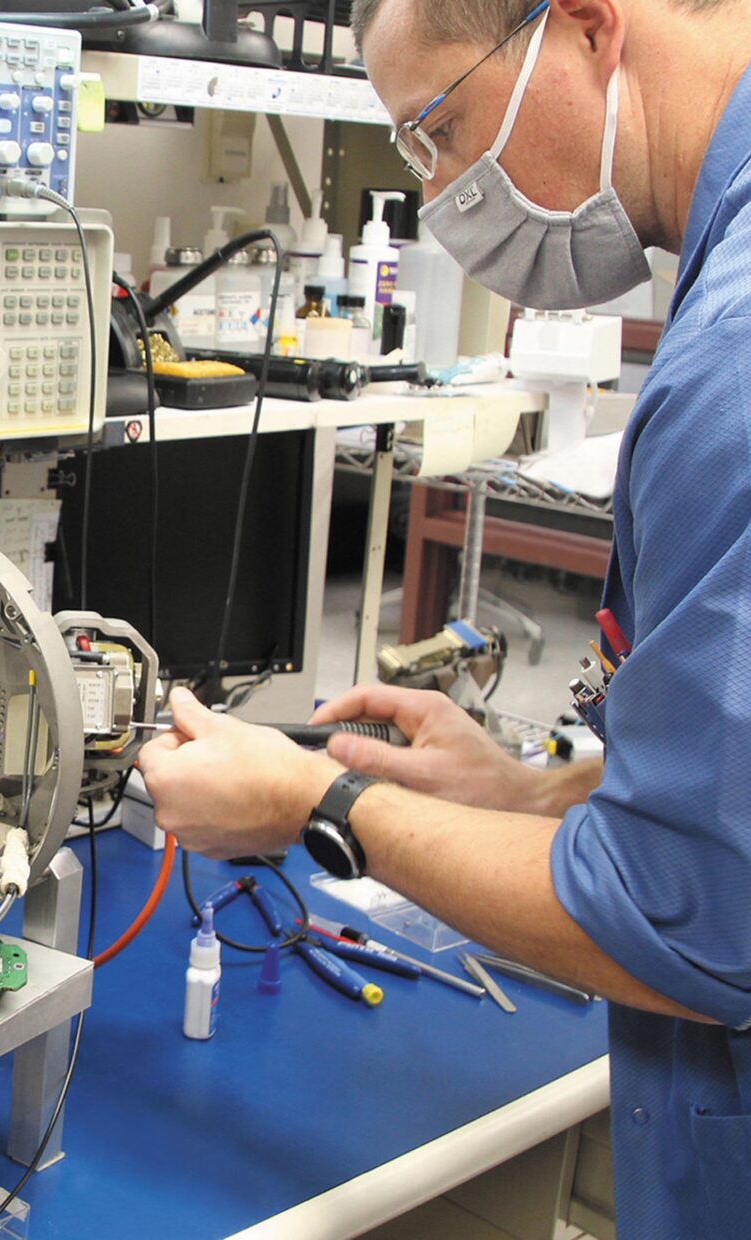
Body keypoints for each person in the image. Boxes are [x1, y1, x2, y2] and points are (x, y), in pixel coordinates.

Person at [138, 0, 751, 1233]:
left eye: (441, 130)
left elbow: (688, 922)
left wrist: (318, 803)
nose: (442, 194)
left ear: (585, 29)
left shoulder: (732, 367)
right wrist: (535, 800)